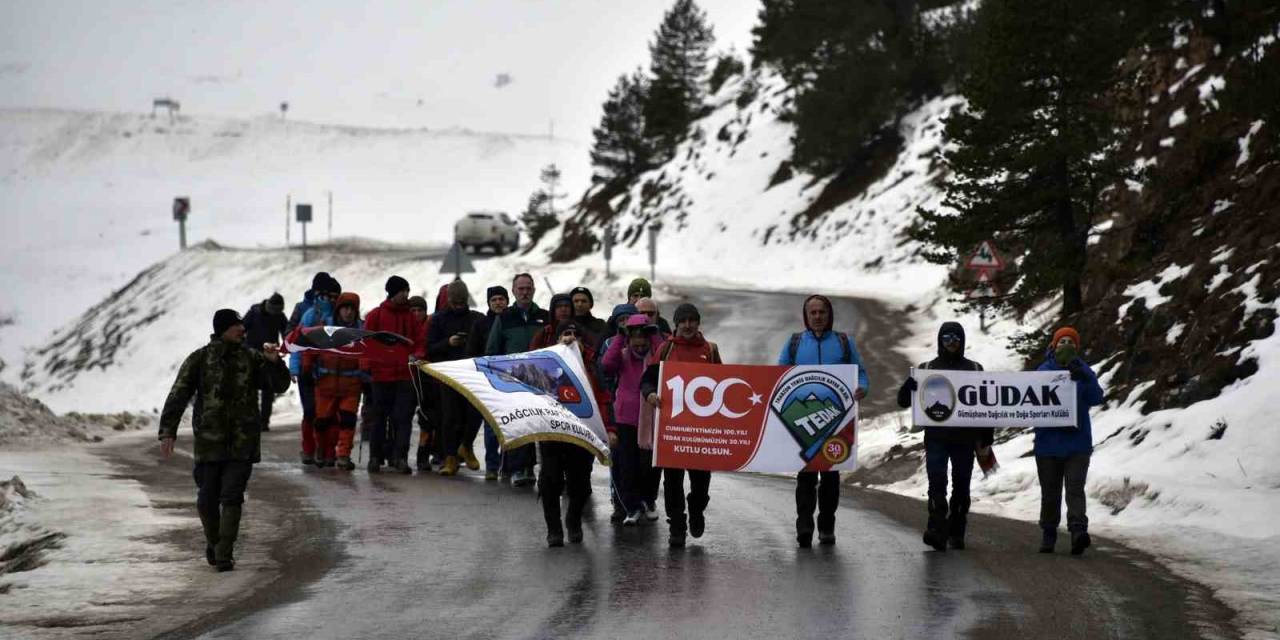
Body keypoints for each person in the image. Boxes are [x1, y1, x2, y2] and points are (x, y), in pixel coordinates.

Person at [158, 309, 290, 572]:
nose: (242, 330)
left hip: (242, 442)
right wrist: (167, 430)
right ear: (223, 329)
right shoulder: (200, 359)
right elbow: (179, 393)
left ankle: (224, 553)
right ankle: (215, 541)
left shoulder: (252, 358)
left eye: (242, 325)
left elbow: (278, 386)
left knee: (232, 496)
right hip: (209, 442)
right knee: (207, 499)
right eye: (236, 326)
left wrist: (275, 362)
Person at [778, 295, 870, 548]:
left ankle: (827, 524)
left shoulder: (843, 342)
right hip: (803, 419)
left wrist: (862, 387)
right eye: (813, 313)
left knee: (830, 478)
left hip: (836, 420)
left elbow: (860, 372)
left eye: (822, 312)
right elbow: (779, 375)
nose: (818, 316)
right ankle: (804, 525)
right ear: (806, 316)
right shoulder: (795, 343)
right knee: (806, 477)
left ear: (829, 315)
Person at [896, 321, 985, 552]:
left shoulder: (975, 369)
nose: (952, 343)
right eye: (947, 338)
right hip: (936, 437)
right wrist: (910, 386)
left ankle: (957, 530)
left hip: (965, 438)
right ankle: (936, 528)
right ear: (940, 341)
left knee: (962, 484)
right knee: (937, 481)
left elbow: (987, 405)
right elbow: (903, 401)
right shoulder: (926, 368)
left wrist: (986, 435)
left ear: (962, 341)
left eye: (956, 338)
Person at [641, 303, 722, 548]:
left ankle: (696, 510)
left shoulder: (710, 350)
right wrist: (651, 395)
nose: (687, 325)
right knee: (672, 481)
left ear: (698, 323)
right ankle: (676, 525)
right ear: (676, 324)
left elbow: (724, 383)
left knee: (701, 483)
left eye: (692, 320)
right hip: (672, 429)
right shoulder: (666, 349)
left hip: (701, 430)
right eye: (683, 321)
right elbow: (648, 381)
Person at [1034, 326, 1104, 555]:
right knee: (1050, 492)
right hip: (1048, 444)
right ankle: (1049, 533)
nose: (1066, 345)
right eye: (1061, 341)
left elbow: (1096, 397)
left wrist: (1083, 376)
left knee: (1075, 489)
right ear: (1054, 345)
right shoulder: (1043, 371)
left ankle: (1077, 531)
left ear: (1077, 346)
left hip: (1077, 444)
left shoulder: (1084, 370)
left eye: (1070, 341)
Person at [540, 320, 608, 547]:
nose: (570, 338)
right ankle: (554, 529)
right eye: (565, 334)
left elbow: (603, 397)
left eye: (574, 334)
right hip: (552, 433)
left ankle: (573, 520)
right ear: (558, 339)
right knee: (550, 480)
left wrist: (610, 429)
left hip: (582, 433)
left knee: (579, 483)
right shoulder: (544, 364)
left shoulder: (591, 366)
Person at [484, 273, 549, 487]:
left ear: (534, 289)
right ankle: (520, 468)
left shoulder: (544, 316)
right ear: (513, 291)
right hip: (512, 380)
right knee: (519, 424)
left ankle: (543, 469)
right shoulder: (504, 318)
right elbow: (493, 349)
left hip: (542, 379)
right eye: (520, 288)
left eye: (528, 288)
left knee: (541, 425)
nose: (525, 292)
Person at [603, 314, 664, 527]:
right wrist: (621, 336)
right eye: (635, 340)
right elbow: (607, 364)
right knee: (627, 465)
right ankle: (632, 506)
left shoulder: (655, 357)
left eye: (643, 340)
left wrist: (653, 334)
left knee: (650, 465)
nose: (640, 345)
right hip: (626, 418)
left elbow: (665, 356)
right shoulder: (622, 355)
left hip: (651, 418)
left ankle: (648, 500)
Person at [362, 276, 428, 474]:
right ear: (392, 292)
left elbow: (420, 341)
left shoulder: (410, 317)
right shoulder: (375, 315)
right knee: (379, 418)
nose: (406, 295)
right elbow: (366, 342)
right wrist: (366, 366)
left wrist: (417, 355)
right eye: (402, 291)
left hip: (405, 376)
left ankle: (400, 458)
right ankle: (375, 457)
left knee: (403, 418)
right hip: (381, 376)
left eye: (407, 291)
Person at [426, 280, 485, 476]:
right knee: (449, 417)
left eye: (462, 302)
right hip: (448, 374)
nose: (459, 305)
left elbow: (485, 346)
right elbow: (430, 348)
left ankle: (466, 446)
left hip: (471, 373)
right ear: (449, 300)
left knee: (475, 414)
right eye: (455, 302)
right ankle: (449, 457)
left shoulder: (477, 318)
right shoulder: (438, 319)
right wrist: (448, 343)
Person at [307, 292, 365, 471]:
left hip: (351, 385)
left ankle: (343, 455)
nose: (348, 312)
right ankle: (323, 452)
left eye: (351, 309)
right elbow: (311, 349)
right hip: (326, 384)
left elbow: (367, 354)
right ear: (338, 309)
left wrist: (366, 372)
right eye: (345, 308)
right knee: (322, 422)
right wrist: (306, 367)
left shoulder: (361, 331)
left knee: (348, 422)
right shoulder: (324, 328)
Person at [294, 276, 341, 466]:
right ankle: (309, 449)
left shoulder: (340, 315)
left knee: (328, 414)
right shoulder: (307, 313)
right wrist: (296, 367)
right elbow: (295, 339)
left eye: (335, 296)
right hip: (307, 370)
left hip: (328, 372)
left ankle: (327, 450)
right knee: (310, 411)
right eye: (329, 296)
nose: (332, 300)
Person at [598, 303, 637, 521]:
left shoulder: (645, 344)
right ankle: (619, 501)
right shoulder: (608, 343)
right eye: (620, 320)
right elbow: (603, 370)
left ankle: (638, 499)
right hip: (615, 406)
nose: (624, 325)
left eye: (628, 320)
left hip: (639, 409)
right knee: (618, 458)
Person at [468, 285, 509, 481]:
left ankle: (508, 463)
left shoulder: (512, 320)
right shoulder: (481, 324)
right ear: (489, 303)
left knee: (511, 424)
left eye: (501, 299)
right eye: (494, 300)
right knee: (491, 425)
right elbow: (473, 351)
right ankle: (492, 465)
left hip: (512, 379)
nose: (498, 303)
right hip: (489, 380)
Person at [243, 292, 288, 432]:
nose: (275, 313)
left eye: (278, 311)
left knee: (268, 389)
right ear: (268, 305)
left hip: (270, 355)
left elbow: (286, 333)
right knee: (251, 389)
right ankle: (254, 420)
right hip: (251, 355)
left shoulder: (280, 316)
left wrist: (287, 347)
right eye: (274, 310)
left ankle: (264, 422)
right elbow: (241, 329)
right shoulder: (254, 313)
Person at [407, 295, 440, 471]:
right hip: (406, 377)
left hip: (425, 378)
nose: (417, 314)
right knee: (403, 418)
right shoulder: (405, 326)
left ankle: (423, 456)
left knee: (427, 420)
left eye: (420, 310)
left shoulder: (430, 326)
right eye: (413, 310)